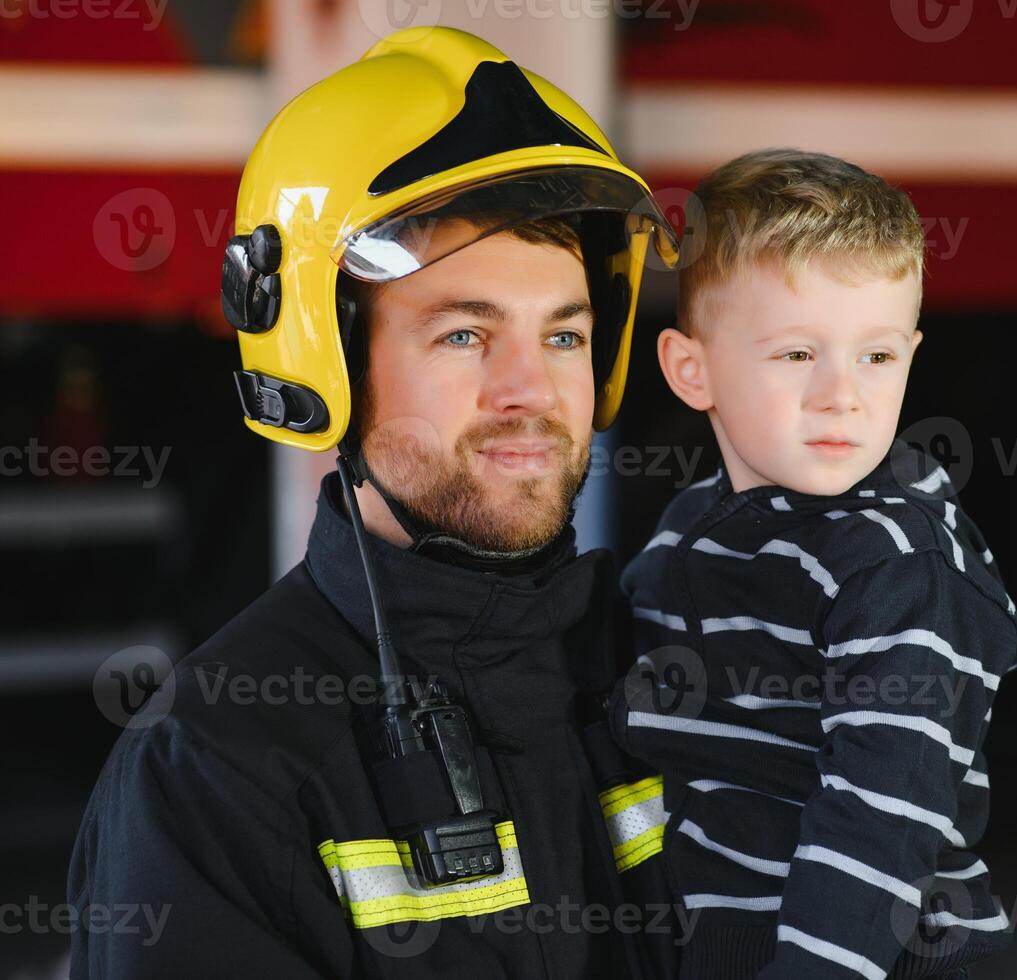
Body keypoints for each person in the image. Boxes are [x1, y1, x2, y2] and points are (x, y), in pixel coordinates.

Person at [68, 27, 681, 979]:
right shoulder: (218, 770)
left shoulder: (678, 672)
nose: (529, 388)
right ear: (328, 358)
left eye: (563, 337)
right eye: (464, 335)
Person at [608, 149, 1017, 979]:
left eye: (875, 357)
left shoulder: (898, 567)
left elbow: (884, 811)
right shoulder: (685, 533)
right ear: (692, 371)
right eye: (797, 354)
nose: (843, 394)